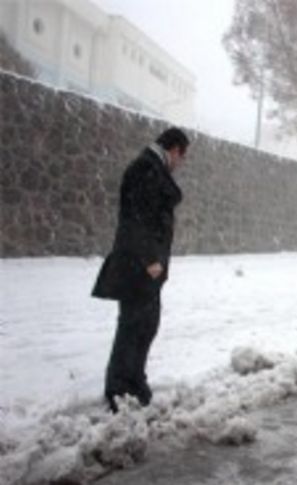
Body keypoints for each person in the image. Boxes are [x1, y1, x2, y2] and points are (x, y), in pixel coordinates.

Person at [92, 127, 189, 412]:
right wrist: (150, 259)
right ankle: (119, 389)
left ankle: (134, 382)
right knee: (132, 327)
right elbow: (135, 219)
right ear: (174, 150)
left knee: (145, 326)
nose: (180, 164)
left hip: (146, 269)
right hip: (138, 266)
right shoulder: (144, 169)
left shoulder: (153, 169)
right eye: (182, 157)